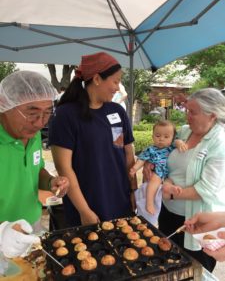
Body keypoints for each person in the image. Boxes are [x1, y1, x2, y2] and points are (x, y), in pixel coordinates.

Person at [49, 52, 137, 227]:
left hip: (120, 199)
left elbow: (127, 154)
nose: (118, 88)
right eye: (115, 81)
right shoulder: (66, 115)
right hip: (87, 204)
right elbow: (64, 168)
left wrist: (133, 190)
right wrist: (84, 211)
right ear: (97, 79)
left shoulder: (117, 111)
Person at [150, 88, 225, 272]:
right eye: (187, 110)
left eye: (193, 112)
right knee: (165, 264)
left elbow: (205, 189)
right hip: (168, 214)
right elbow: (167, 160)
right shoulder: (184, 132)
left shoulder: (220, 143)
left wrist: (171, 194)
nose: (187, 117)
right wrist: (162, 179)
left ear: (212, 115)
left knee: (194, 269)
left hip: (198, 221)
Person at [0, 71, 70, 258]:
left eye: (47, 113)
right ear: (4, 104)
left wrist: (50, 181)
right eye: (32, 113)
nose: (40, 123)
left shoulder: (32, 133)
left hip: (33, 224)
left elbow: (35, 168)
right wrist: (2, 232)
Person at [130, 120, 185, 225]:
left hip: (169, 173)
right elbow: (141, 159)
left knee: (168, 183)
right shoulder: (151, 150)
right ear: (152, 136)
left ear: (172, 138)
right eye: (158, 136)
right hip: (158, 170)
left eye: (166, 137)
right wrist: (135, 168)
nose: (161, 139)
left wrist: (179, 142)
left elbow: (177, 143)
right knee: (154, 181)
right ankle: (149, 202)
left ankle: (170, 189)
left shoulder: (171, 148)